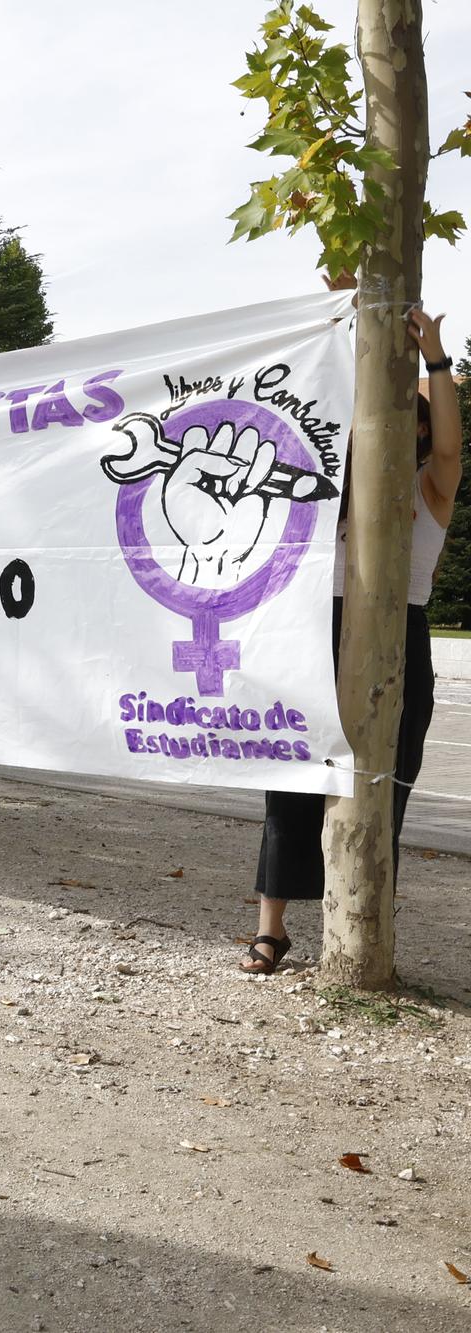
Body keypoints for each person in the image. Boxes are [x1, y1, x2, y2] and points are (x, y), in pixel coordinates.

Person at [243, 308, 459, 973]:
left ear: (420, 429)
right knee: (292, 780)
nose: (406, 424)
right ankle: (271, 930)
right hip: (316, 632)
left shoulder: (430, 489)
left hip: (401, 637)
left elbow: (452, 448)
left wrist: (438, 362)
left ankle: (360, 930)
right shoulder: (326, 490)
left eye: (416, 416)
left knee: (384, 785)